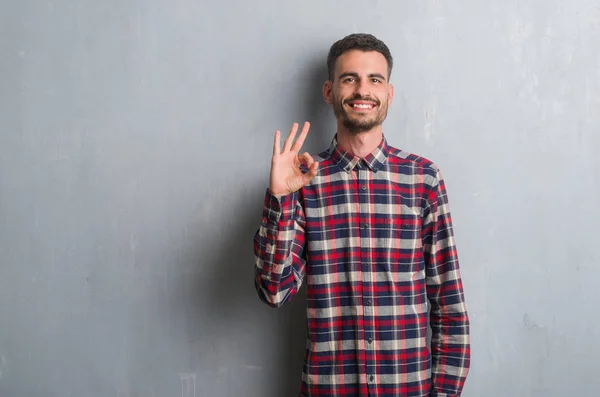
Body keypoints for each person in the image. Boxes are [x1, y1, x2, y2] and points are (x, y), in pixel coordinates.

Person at [253, 33, 470, 397]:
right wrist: (279, 197)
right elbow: (274, 292)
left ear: (388, 93)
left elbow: (449, 303)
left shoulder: (424, 179)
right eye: (349, 78)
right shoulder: (304, 179)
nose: (362, 90)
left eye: (375, 79)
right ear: (328, 91)